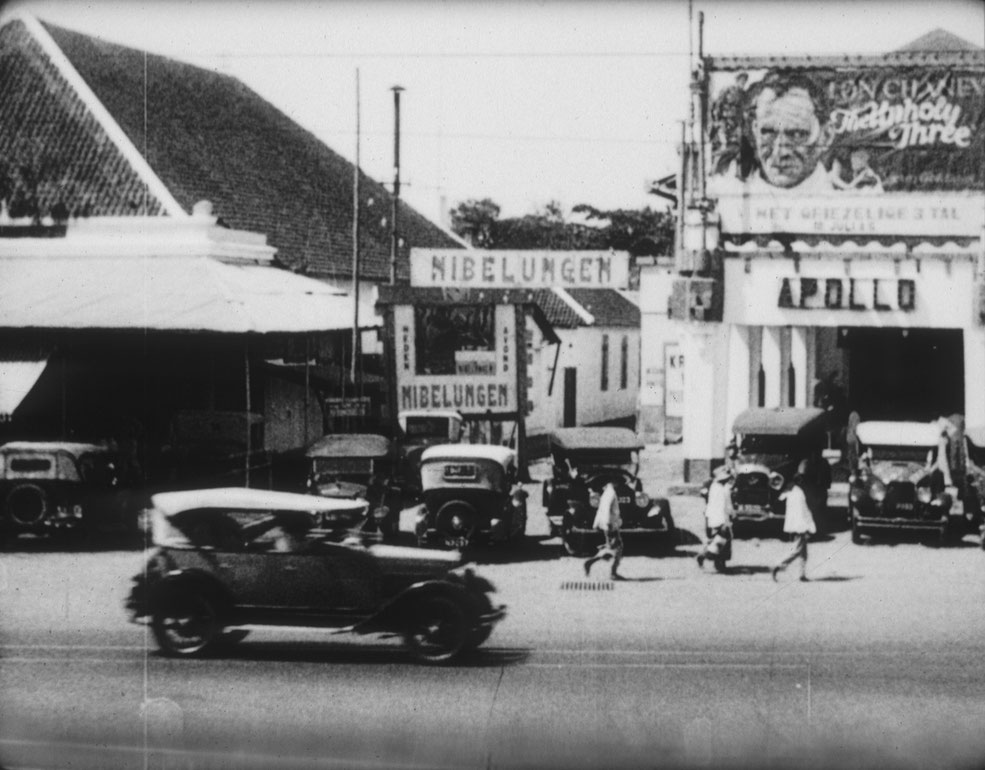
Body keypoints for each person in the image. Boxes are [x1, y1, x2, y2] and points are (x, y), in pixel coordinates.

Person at [710, 70, 835, 194]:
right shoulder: (726, 198)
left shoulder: (846, 196)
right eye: (767, 133)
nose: (779, 152)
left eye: (797, 135)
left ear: (826, 136)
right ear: (754, 131)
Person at [772, 470, 816, 582]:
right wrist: (807, 527)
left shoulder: (790, 491)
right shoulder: (799, 493)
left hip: (794, 526)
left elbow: (781, 500)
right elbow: (803, 512)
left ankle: (802, 574)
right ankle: (779, 565)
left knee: (804, 553)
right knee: (797, 550)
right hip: (800, 526)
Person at [583, 480, 625, 580]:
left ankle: (591, 563)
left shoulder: (606, 493)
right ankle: (611, 572)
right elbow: (605, 510)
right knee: (616, 548)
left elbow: (600, 511)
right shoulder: (611, 493)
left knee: (613, 547)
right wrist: (607, 524)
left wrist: (596, 524)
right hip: (610, 525)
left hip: (609, 525)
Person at [697, 465, 733, 569]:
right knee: (722, 541)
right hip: (720, 519)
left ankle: (716, 561)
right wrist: (726, 521)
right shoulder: (721, 489)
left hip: (715, 518)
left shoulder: (716, 487)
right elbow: (723, 507)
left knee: (718, 540)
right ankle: (710, 559)